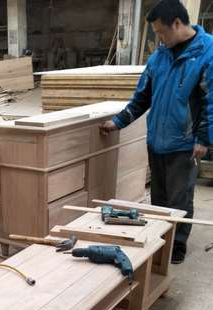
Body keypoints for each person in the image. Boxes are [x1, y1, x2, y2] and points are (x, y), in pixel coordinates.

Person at [100, 0, 213, 264]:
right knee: (159, 197)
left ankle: (177, 244)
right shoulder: (159, 57)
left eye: (162, 32)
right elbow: (142, 97)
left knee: (179, 198)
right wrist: (119, 122)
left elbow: (211, 102)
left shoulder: (207, 53)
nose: (159, 38)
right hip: (157, 141)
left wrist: (203, 139)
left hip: (185, 142)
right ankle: (161, 238)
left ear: (177, 24)